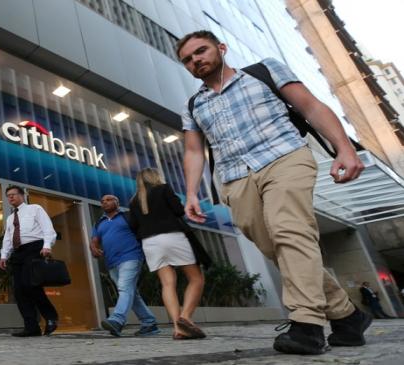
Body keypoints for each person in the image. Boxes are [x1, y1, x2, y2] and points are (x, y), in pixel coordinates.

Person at [177, 30, 371, 355]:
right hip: (235, 178)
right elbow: (194, 152)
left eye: (201, 51)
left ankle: (307, 325)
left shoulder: (264, 70)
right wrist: (192, 193)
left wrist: (345, 149)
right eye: (188, 59)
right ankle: (347, 316)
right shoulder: (193, 104)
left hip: (284, 157)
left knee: (290, 232)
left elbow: (311, 107)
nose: (196, 60)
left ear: (221, 48)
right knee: (277, 249)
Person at [127, 168, 210, 340]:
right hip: (172, 236)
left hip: (149, 243)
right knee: (196, 279)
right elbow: (179, 210)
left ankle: (177, 328)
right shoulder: (163, 189)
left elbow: (133, 225)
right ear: (155, 177)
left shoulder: (134, 201)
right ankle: (185, 318)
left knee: (167, 284)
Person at [91, 194, 160, 337]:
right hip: (112, 262)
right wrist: (93, 248)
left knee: (124, 287)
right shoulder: (100, 222)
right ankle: (149, 323)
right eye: (102, 201)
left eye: (109, 200)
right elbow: (95, 240)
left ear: (117, 202)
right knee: (131, 293)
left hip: (131, 256)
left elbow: (144, 231)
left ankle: (117, 320)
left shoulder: (128, 216)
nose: (105, 202)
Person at [0, 185, 59, 337]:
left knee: (31, 285)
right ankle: (31, 327)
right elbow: (8, 238)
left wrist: (47, 246)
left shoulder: (35, 209)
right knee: (19, 291)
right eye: (8, 195)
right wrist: (4, 256)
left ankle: (51, 317)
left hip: (35, 248)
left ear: (22, 195)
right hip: (18, 253)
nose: (10, 197)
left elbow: (47, 228)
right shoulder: (11, 217)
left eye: (13, 194)